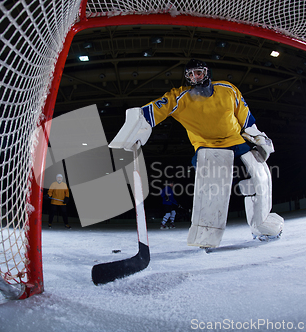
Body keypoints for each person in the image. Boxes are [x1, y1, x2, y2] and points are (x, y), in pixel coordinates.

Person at [109, 59, 283, 246]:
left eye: (198, 73)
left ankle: (262, 225)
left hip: (236, 141)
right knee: (213, 190)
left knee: (259, 177)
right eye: (190, 75)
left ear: (207, 73)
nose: (195, 77)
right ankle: (206, 236)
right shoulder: (179, 97)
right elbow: (151, 111)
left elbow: (246, 119)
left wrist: (259, 139)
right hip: (207, 148)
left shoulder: (228, 89)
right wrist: (133, 131)